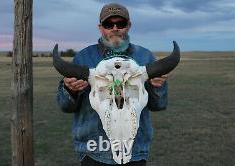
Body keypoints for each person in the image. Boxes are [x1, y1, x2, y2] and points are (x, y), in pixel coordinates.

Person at [57, 3, 169, 166]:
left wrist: (156, 87)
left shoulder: (145, 57)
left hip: (135, 152)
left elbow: (159, 105)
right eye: (109, 24)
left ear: (128, 26)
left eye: (121, 24)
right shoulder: (82, 58)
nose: (115, 28)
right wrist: (70, 90)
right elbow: (65, 106)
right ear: (100, 27)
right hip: (92, 151)